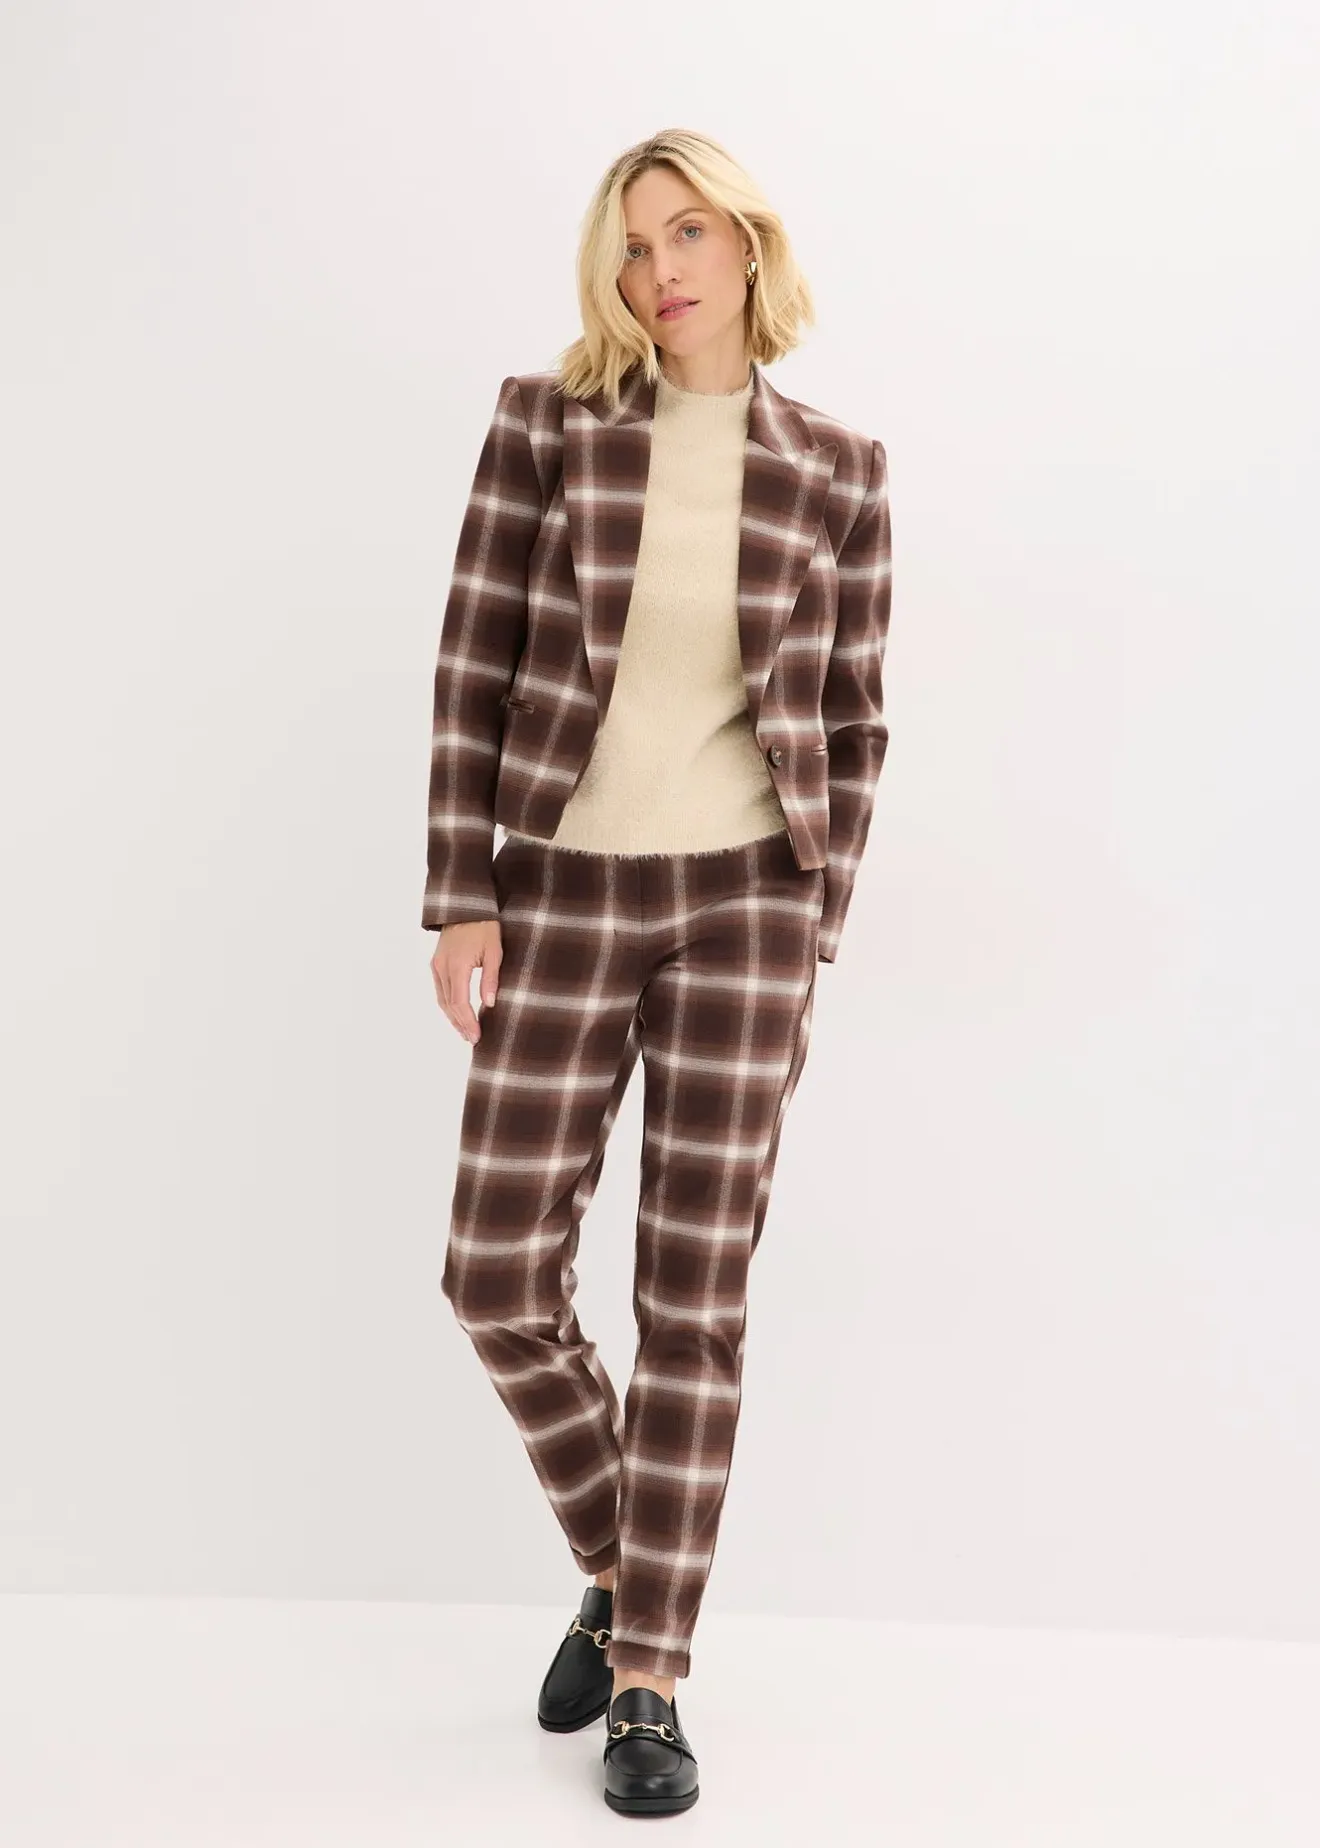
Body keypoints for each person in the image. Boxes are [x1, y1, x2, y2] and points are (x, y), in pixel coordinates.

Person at [423, 126, 893, 1817]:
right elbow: (474, 660)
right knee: (494, 1273)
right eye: (634, 246)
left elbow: (854, 713)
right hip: (561, 889)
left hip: (745, 909)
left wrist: (817, 916)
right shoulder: (545, 426)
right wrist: (460, 897)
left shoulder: (840, 468)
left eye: (688, 232)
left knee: (692, 1298)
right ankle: (631, 1570)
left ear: (748, 242)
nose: (661, 270)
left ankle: (651, 1682)